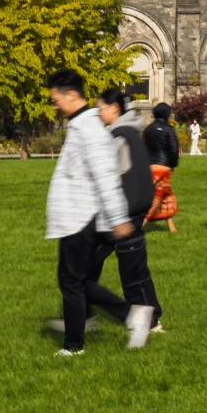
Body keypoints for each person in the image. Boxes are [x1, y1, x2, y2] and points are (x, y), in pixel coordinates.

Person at [42, 69, 149, 356]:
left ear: (72, 95)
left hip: (82, 216)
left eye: (55, 98)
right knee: (77, 281)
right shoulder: (81, 126)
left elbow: (106, 177)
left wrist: (117, 219)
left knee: (71, 281)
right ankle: (128, 316)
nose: (54, 104)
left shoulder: (90, 130)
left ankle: (76, 344)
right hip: (76, 215)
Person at [95, 88, 162, 340]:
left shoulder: (118, 137)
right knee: (135, 270)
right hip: (133, 211)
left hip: (120, 215)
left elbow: (111, 178)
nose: (97, 113)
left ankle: (147, 320)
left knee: (129, 272)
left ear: (114, 108)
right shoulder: (133, 132)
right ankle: (151, 318)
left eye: (99, 108)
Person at [142, 102, 181, 234]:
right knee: (157, 199)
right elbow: (174, 150)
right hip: (163, 167)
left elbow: (143, 147)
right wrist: (173, 164)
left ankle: (172, 228)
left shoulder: (148, 129)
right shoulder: (169, 130)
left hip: (149, 166)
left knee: (166, 196)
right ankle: (139, 226)